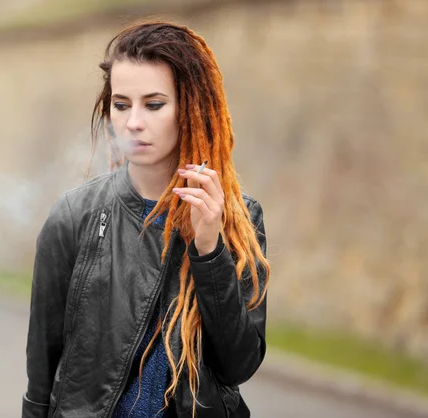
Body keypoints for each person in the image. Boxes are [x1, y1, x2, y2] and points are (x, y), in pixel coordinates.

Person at [22, 20, 270, 418]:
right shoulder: (74, 216)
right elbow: (41, 377)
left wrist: (209, 249)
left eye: (154, 105)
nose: (134, 122)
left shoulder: (238, 217)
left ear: (190, 107)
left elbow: (238, 365)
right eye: (121, 105)